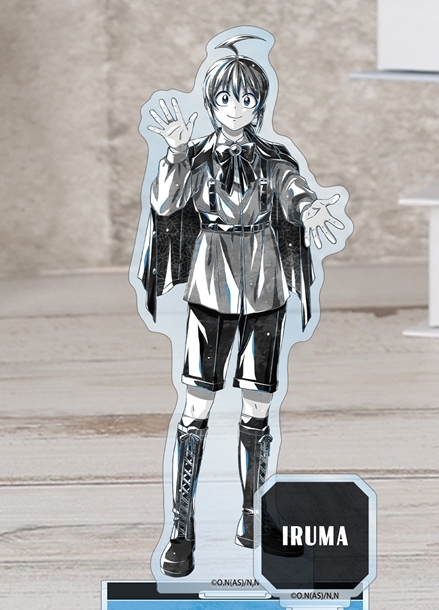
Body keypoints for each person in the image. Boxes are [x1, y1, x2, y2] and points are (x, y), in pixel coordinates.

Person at [139, 35, 345, 577]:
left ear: (259, 104)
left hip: (264, 287)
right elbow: (165, 203)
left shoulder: (272, 159)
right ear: (212, 102)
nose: (237, 108)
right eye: (227, 98)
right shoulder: (196, 157)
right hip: (209, 289)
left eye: (247, 99)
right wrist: (175, 152)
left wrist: (310, 208)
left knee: (257, 407)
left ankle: (254, 515)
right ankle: (181, 529)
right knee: (196, 409)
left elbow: (293, 189)